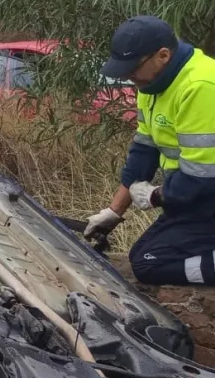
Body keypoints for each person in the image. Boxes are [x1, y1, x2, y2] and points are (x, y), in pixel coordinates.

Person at [85, 15, 215, 286]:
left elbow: (202, 179)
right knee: (142, 257)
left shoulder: (200, 88)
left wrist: (155, 196)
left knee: (150, 264)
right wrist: (114, 211)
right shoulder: (152, 85)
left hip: (204, 194)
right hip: (196, 197)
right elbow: (144, 150)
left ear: (163, 55)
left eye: (133, 68)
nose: (129, 76)